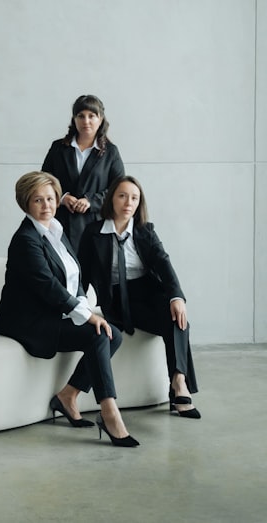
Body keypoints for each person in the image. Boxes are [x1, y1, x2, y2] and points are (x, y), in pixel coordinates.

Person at [0, 171, 139, 447]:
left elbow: (75, 279)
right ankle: (109, 412)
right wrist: (88, 316)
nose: (46, 205)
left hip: (55, 313)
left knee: (113, 335)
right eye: (38, 200)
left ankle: (68, 395)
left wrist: (85, 308)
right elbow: (48, 286)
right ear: (26, 203)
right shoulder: (25, 239)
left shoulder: (57, 231)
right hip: (29, 321)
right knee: (99, 335)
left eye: (50, 199)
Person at [78, 175, 200, 419]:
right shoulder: (93, 232)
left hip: (148, 292)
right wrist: (79, 306)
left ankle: (178, 381)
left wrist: (176, 296)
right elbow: (82, 273)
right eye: (122, 196)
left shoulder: (144, 230)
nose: (128, 203)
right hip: (116, 298)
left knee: (177, 317)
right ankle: (179, 392)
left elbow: (164, 263)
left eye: (134, 198)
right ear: (112, 199)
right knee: (172, 320)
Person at [42, 94, 124, 255]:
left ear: (100, 119)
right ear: (74, 119)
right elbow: (43, 181)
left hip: (95, 224)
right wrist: (62, 197)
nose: (86, 121)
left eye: (91, 116)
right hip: (60, 222)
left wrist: (91, 201)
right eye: (81, 116)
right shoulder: (58, 148)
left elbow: (119, 190)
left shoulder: (110, 152)